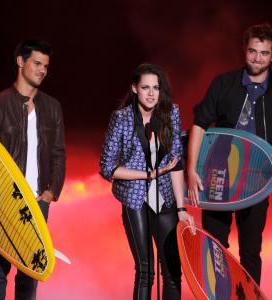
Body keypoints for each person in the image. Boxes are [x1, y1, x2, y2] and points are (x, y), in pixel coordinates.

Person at [0, 39, 66, 299]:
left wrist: (50, 193)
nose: (42, 70)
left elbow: (59, 153)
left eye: (46, 66)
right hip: (2, 200)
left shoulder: (52, 107)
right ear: (20, 62)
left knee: (29, 270)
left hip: (37, 200)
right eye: (37, 63)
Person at [100, 63, 195, 300]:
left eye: (156, 88)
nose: (151, 94)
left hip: (164, 198)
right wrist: (148, 175)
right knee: (145, 270)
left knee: (173, 271)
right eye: (145, 87)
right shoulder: (121, 119)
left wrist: (181, 208)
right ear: (134, 89)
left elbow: (176, 161)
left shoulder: (170, 113)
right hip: (134, 198)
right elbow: (107, 167)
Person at [187, 22, 272, 285]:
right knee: (214, 248)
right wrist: (191, 170)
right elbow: (200, 125)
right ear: (244, 51)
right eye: (252, 51)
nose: (257, 58)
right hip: (217, 178)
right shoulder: (224, 83)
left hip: (257, 182)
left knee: (250, 252)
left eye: (264, 53)